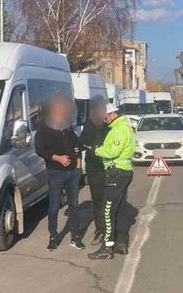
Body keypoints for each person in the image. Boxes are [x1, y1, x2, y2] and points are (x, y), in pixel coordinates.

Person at [34, 92, 85, 251]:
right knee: (54, 207)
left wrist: (78, 162)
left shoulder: (66, 125)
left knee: (74, 206)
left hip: (72, 173)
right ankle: (53, 236)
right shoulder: (44, 126)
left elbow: (76, 143)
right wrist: (58, 158)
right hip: (56, 172)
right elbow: (40, 150)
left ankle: (75, 237)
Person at [87, 103, 135, 260]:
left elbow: (112, 151)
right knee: (120, 209)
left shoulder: (119, 130)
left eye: (106, 117)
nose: (104, 120)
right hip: (122, 171)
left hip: (117, 173)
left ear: (112, 114)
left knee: (107, 211)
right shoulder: (120, 127)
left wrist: (96, 150)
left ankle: (107, 248)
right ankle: (121, 243)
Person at [79, 95, 109, 245]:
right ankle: (100, 230)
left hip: (108, 168)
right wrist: (91, 149)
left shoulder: (108, 125)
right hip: (93, 168)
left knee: (108, 201)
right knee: (97, 201)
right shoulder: (89, 125)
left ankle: (110, 231)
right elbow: (82, 142)